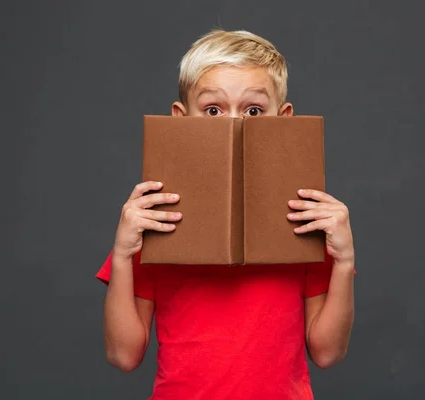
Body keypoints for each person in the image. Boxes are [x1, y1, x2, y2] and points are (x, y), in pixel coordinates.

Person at [96, 29, 356, 400]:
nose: (233, 124)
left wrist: (344, 261)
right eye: (213, 110)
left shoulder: (306, 221)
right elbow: (123, 355)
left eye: (253, 110)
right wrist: (122, 254)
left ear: (282, 118)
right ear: (181, 118)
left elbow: (327, 353)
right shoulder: (154, 220)